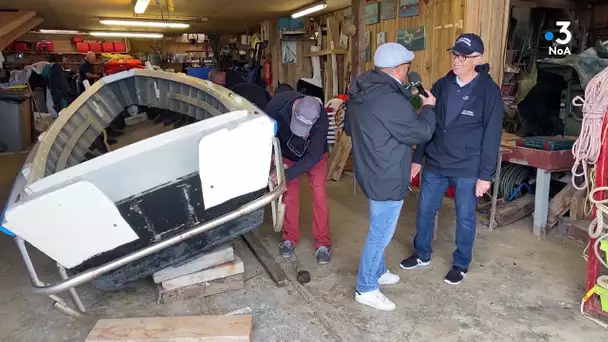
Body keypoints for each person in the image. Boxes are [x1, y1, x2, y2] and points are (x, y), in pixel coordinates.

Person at [401, 33, 504, 285]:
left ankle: (461, 263)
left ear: (477, 59)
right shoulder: (441, 86)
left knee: (465, 217)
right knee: (425, 210)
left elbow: (492, 136)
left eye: (463, 57)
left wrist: (485, 176)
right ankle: (422, 253)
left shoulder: (489, 92)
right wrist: (418, 158)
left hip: (468, 167)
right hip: (435, 163)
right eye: (455, 55)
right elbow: (428, 123)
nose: (457, 61)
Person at [345, 42, 437, 311]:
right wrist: (428, 107)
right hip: (387, 175)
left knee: (379, 224)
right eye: (408, 67)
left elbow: (351, 128)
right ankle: (366, 287)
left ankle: (378, 271)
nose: (409, 71)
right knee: (381, 234)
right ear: (399, 68)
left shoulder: (362, 90)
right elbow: (420, 133)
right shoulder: (390, 100)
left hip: (370, 170)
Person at [264, 92, 331, 264]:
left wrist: (285, 175)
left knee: (319, 195)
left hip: (315, 156)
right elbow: (265, 136)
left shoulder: (322, 118)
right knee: (289, 196)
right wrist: (272, 159)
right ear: (294, 109)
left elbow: (311, 158)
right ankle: (289, 238)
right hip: (286, 154)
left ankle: (322, 243)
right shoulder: (276, 106)